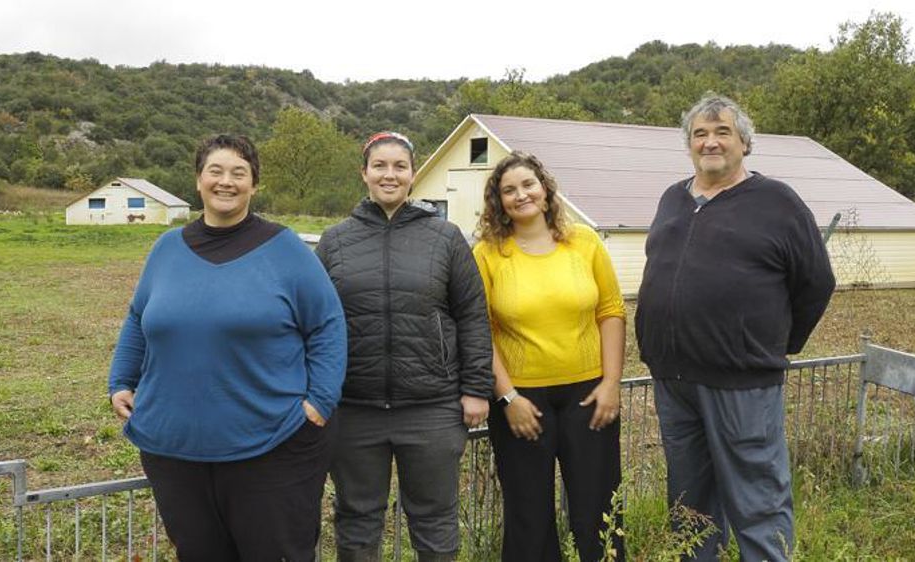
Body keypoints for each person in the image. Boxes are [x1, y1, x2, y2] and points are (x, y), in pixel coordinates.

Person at [107, 134, 347, 561]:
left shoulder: (286, 249)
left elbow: (328, 326)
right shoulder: (166, 249)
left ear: (254, 185)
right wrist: (121, 379)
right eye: (215, 171)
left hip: (271, 446)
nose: (226, 182)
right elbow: (138, 318)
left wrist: (319, 404)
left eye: (239, 173)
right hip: (174, 450)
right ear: (198, 180)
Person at [635, 93, 836, 561]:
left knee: (757, 499)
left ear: (744, 143)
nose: (710, 142)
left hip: (742, 381)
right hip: (674, 380)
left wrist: (774, 344)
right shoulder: (673, 197)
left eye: (722, 132)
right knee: (690, 503)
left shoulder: (776, 201)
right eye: (700, 134)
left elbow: (817, 282)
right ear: (688, 145)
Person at [315, 131, 493, 562]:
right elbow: (316, 324)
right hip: (355, 409)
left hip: (431, 408)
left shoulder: (445, 238)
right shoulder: (335, 241)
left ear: (413, 175)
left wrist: (476, 389)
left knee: (434, 522)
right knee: (357, 521)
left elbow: (471, 315)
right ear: (365, 174)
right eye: (380, 166)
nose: (389, 175)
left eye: (399, 166)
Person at [472, 151, 626, 562]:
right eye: (509, 190)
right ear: (498, 202)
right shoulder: (488, 255)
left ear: (545, 189)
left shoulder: (585, 243)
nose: (521, 195)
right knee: (529, 517)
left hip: (589, 395)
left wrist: (611, 383)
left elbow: (611, 312)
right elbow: (479, 331)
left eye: (528, 184)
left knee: (600, 512)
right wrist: (507, 398)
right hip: (522, 402)